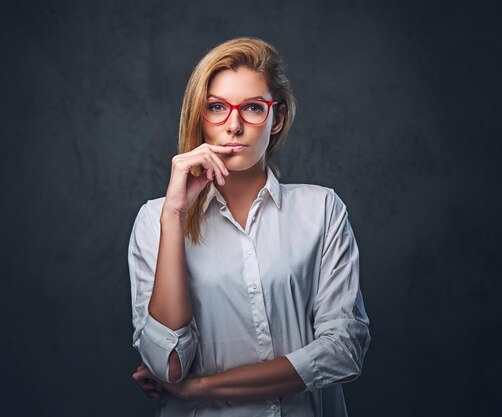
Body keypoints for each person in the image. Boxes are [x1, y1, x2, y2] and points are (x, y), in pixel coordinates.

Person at [128, 37, 370, 417]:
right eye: (217, 108)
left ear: (278, 119)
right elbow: (168, 365)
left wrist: (199, 387)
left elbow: (343, 351)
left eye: (254, 108)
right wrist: (174, 215)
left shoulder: (321, 210)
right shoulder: (156, 219)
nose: (234, 126)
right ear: (199, 116)